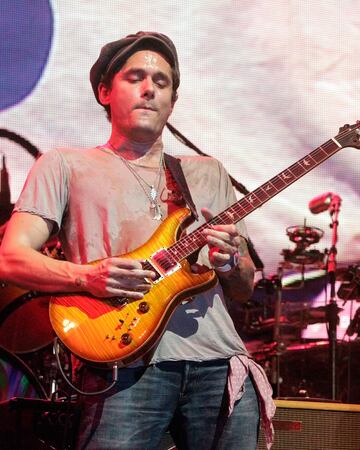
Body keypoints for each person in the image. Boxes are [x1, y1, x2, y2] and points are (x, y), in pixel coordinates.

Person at [0, 31, 275, 449]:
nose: (149, 88)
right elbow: (11, 259)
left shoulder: (206, 172)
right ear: (105, 91)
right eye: (135, 77)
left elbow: (243, 286)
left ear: (172, 102)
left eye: (161, 82)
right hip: (124, 364)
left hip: (218, 364)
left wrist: (230, 262)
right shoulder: (63, 165)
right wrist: (87, 276)